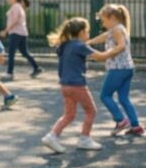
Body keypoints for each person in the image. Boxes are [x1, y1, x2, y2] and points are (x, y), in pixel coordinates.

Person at [40, 17, 113, 154]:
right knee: (91, 111)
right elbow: (100, 57)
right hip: (77, 85)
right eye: (87, 32)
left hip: (65, 85)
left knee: (69, 114)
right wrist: (117, 50)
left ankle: (52, 136)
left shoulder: (64, 45)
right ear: (81, 32)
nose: (88, 34)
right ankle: (84, 139)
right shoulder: (80, 46)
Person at [88, 4, 143, 137]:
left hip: (118, 69)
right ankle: (135, 126)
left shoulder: (117, 29)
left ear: (112, 18)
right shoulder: (118, 28)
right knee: (123, 98)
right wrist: (88, 43)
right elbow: (103, 37)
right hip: (127, 68)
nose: (102, 24)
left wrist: (104, 55)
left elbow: (121, 46)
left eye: (104, 20)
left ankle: (120, 120)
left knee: (105, 96)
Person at [0, 0, 42, 80]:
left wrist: (5, 30)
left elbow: (15, 20)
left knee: (11, 53)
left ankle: (9, 73)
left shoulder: (16, 7)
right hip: (22, 32)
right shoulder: (18, 7)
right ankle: (37, 68)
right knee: (24, 52)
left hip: (16, 33)